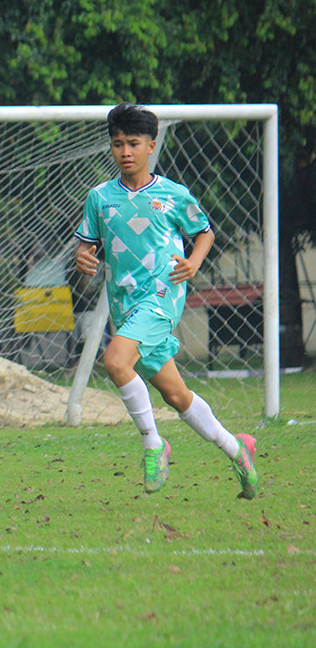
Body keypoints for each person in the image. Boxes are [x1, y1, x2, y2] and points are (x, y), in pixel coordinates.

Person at [74, 102, 259, 499]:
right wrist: (83, 257)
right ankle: (236, 448)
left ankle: (153, 445)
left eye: (134, 143)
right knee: (176, 396)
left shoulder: (173, 194)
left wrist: (193, 261)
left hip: (162, 296)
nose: (125, 151)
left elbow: (205, 230)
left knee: (115, 361)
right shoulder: (99, 197)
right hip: (124, 304)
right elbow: (86, 245)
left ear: (151, 146)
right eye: (118, 144)